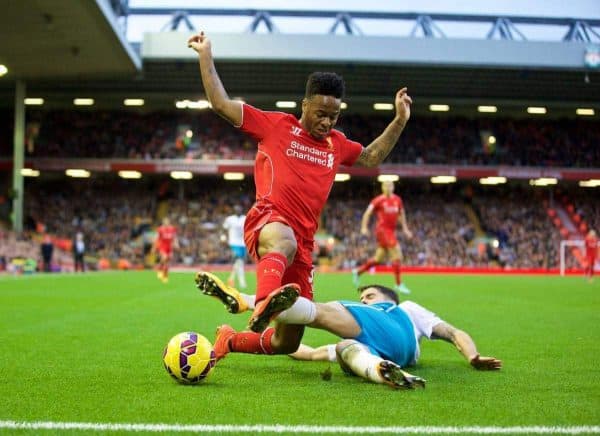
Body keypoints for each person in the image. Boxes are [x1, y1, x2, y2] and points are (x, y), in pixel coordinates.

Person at [188, 30, 412, 357]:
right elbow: (220, 104)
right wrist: (206, 54)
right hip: (270, 221)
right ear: (304, 105)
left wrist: (400, 120)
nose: (326, 121)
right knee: (284, 241)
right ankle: (263, 302)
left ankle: (230, 340)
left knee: (287, 342)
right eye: (320, 113)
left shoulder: (337, 144)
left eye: (333, 116)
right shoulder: (276, 126)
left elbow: (371, 157)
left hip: (303, 245)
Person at [215, 284, 502, 389]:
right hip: (380, 352)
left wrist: (472, 354)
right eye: (363, 297)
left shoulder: (405, 309)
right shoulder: (364, 326)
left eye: (370, 295)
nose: (365, 300)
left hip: (391, 328)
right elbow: (310, 354)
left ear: (387, 296)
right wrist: (281, 342)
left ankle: (245, 300)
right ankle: (381, 372)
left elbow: (452, 333)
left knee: (323, 312)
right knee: (343, 347)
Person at [352, 181, 413, 294]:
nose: (388, 187)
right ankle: (398, 284)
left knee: (378, 259)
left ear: (393, 187)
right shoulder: (378, 200)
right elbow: (367, 213)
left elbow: (402, 214)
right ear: (382, 187)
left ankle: (358, 272)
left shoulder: (397, 200)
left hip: (391, 231)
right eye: (386, 185)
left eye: (390, 185)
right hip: (382, 230)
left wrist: (405, 229)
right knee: (397, 255)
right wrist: (364, 227)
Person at [223, 205, 247, 291]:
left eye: (239, 209)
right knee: (239, 260)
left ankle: (232, 278)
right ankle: (241, 281)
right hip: (233, 242)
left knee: (239, 262)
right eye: (236, 209)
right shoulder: (230, 219)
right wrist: (224, 238)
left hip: (242, 243)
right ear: (234, 210)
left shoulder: (245, 218)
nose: (238, 211)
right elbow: (224, 229)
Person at [153, 217, 179, 284]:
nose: (166, 223)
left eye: (167, 222)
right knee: (164, 258)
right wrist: (154, 247)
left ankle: (165, 276)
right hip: (162, 246)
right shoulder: (160, 229)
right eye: (165, 222)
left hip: (169, 247)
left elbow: (174, 237)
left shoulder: (172, 229)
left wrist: (176, 244)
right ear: (163, 222)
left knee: (167, 262)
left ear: (169, 222)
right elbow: (157, 238)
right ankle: (159, 270)